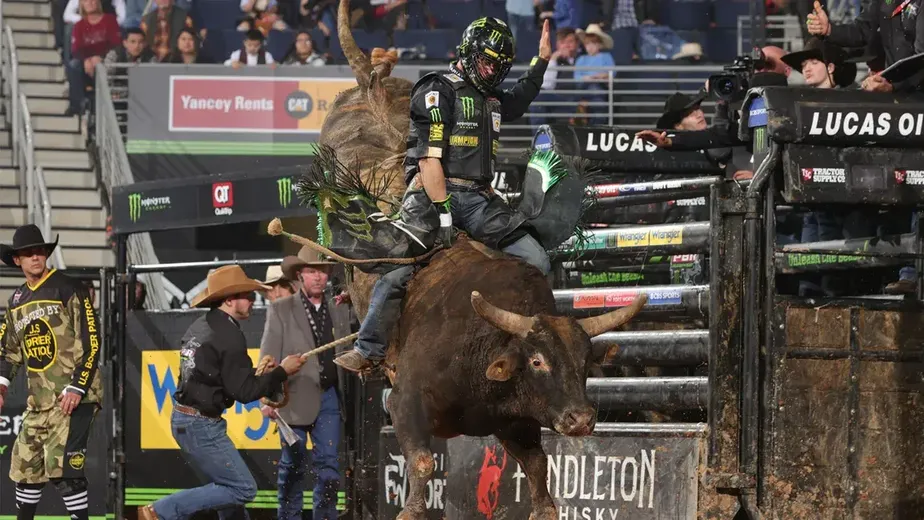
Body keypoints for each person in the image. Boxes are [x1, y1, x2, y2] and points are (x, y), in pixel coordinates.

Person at [334, 16, 553, 373]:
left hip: (482, 199)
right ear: (468, 53)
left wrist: (541, 61)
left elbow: (519, 100)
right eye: (487, 62)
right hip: (432, 193)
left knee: (538, 260)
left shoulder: (491, 96)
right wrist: (445, 213)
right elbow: (429, 162)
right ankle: (369, 347)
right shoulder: (438, 90)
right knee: (396, 271)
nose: (492, 72)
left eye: (499, 67)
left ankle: (533, 339)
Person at [137, 265, 307, 520]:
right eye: (246, 295)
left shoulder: (202, 325)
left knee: (229, 489)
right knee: (242, 489)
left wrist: (266, 375)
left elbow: (227, 378)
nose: (252, 300)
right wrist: (282, 371)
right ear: (229, 300)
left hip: (187, 419)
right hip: (200, 424)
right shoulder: (228, 335)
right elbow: (245, 391)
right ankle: (161, 511)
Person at [0, 225, 102, 520]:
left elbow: (92, 341)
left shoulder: (69, 287)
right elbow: (8, 352)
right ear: (17, 260)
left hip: (74, 397)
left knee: (65, 473)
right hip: (41, 401)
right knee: (25, 468)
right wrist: (2, 387)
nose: (36, 256)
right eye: (28, 253)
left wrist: (77, 387)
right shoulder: (16, 300)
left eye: (40, 251)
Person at [259, 248, 353, 520]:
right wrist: (266, 398)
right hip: (292, 398)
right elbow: (267, 357)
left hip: (329, 398)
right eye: (312, 271)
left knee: (329, 470)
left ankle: (324, 517)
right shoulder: (281, 309)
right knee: (293, 466)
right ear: (300, 275)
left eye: (322, 271)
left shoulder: (340, 308)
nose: (318, 277)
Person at [807, 0, 924, 92]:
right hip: (895, 91)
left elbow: (921, 56)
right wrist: (829, 30)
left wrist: (896, 86)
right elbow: (862, 30)